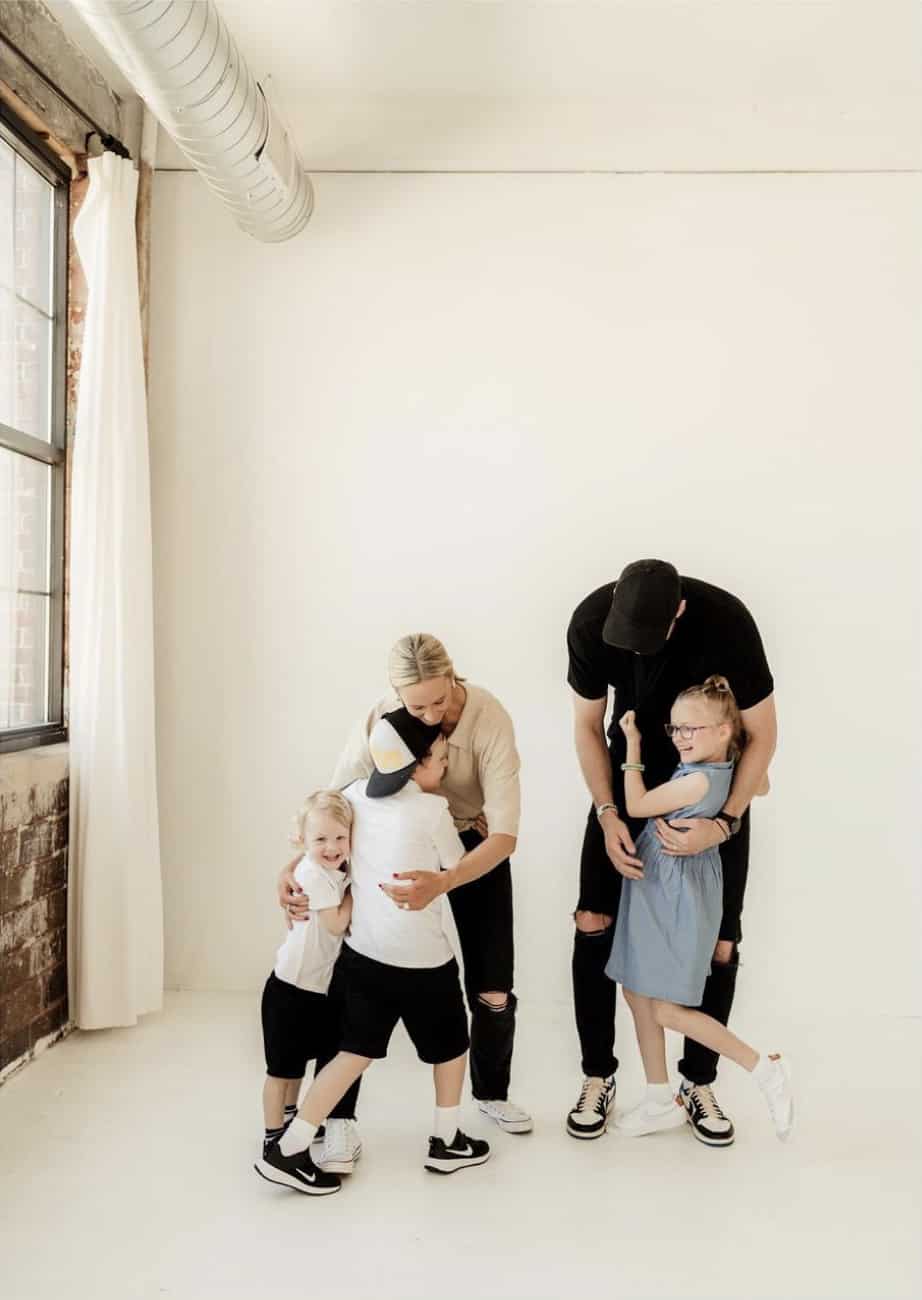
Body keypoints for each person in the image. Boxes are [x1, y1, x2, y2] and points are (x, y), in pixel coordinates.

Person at [280, 633, 532, 1146]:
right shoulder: (382, 715)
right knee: (352, 970)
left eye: (439, 701)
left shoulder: (490, 719)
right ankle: (340, 1119)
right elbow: (336, 795)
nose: (429, 714)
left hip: (473, 844)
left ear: (455, 675)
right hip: (393, 843)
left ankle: (490, 1092)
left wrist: (444, 880)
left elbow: (505, 835)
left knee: (492, 986)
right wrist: (301, 862)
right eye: (416, 705)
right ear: (395, 692)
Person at [567, 559, 777, 1146]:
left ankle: (696, 1082)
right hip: (626, 786)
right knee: (593, 921)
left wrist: (726, 824)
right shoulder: (589, 624)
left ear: (678, 612)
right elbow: (587, 726)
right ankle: (597, 1076)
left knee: (721, 942)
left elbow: (763, 734)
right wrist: (608, 812)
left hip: (710, 792)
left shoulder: (727, 620)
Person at [257, 708, 490, 1195]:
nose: (445, 768)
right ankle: (446, 1140)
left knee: (352, 1052)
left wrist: (294, 863)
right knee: (451, 1046)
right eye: (440, 759)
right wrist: (475, 840)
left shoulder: (354, 798)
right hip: (425, 961)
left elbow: (323, 838)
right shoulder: (432, 810)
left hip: (364, 954)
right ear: (416, 764)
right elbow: (453, 869)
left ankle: (291, 1144)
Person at [608, 680, 792, 1140]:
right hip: (659, 886)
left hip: (675, 893)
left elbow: (636, 804)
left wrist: (633, 745)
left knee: (666, 1009)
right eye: (676, 728)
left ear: (727, 728)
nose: (680, 736)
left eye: (693, 728)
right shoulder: (730, 772)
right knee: (635, 993)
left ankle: (761, 1068)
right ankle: (657, 1098)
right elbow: (762, 782)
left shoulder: (695, 779)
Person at [256, 790, 359, 1182]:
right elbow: (335, 924)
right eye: (320, 840)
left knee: (296, 1065)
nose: (332, 847)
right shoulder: (314, 875)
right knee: (280, 1071)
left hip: (313, 988)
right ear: (300, 841)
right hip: (289, 990)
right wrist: (354, 894)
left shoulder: (329, 869)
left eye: (339, 837)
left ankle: (289, 1123)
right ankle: (272, 1140)